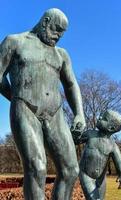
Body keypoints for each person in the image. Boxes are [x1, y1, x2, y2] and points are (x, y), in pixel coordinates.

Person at [0, 8, 86, 200]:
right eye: (56, 30)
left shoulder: (61, 54)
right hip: (26, 110)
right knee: (37, 168)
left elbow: (71, 85)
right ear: (45, 21)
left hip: (55, 113)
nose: (58, 37)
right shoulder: (14, 42)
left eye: (62, 34)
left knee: (71, 169)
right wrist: (16, 97)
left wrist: (79, 113)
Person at [72, 110, 121, 200]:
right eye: (101, 116)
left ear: (111, 128)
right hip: (86, 174)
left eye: (104, 118)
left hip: (101, 179)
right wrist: (75, 134)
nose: (99, 118)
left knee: (101, 198)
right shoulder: (90, 134)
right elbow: (76, 141)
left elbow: (119, 161)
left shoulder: (113, 145)